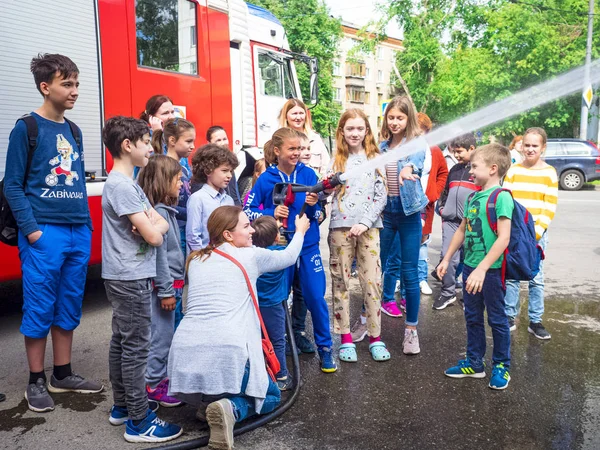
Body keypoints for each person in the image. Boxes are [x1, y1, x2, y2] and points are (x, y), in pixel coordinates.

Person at [3, 53, 102, 413]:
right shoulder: (26, 128)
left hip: (78, 232)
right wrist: (32, 233)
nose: (75, 91)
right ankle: (35, 380)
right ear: (46, 87)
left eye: (76, 83)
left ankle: (63, 373)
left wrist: (86, 228)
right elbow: (13, 186)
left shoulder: (73, 130)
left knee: (69, 305)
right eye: (67, 84)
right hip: (45, 234)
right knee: (39, 308)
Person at [168, 206, 310, 450]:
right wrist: (300, 231)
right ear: (227, 235)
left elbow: (188, 303)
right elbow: (288, 256)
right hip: (228, 348)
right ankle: (231, 409)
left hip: (184, 350)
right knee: (272, 396)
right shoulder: (250, 256)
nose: (252, 230)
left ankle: (210, 402)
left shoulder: (195, 259)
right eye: (246, 226)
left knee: (223, 375)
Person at [101, 116, 182, 442]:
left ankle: (123, 407)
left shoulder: (127, 185)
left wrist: (153, 226)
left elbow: (154, 224)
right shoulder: (123, 187)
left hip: (124, 274)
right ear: (127, 145)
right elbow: (155, 235)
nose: (151, 148)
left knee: (122, 341)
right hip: (131, 276)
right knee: (135, 348)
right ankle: (139, 420)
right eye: (147, 142)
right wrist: (155, 228)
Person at [245, 127, 337, 373]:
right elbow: (247, 210)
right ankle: (275, 350)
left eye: (301, 148)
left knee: (315, 296)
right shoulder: (266, 178)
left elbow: (319, 214)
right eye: (292, 148)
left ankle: (326, 350)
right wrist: (270, 213)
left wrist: (314, 206)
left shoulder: (308, 175)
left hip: (307, 246)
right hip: (278, 247)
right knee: (277, 299)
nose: (298, 153)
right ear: (277, 151)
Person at [437, 143, 513, 390]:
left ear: (492, 169)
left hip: (490, 271)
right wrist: (447, 259)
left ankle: (501, 365)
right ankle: (475, 363)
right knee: (472, 316)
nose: (470, 171)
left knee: (498, 319)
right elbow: (461, 230)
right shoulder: (473, 196)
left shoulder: (501, 197)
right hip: (470, 268)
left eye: (474, 166)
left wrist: (482, 269)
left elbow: (504, 238)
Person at [326, 109, 390, 362]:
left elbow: (381, 195)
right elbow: (325, 193)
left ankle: (375, 337)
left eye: (359, 128)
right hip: (339, 228)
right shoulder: (335, 161)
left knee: (372, 282)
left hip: (370, 229)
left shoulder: (375, 158)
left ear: (366, 131)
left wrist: (364, 222)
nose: (355, 133)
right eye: (349, 128)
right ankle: (345, 339)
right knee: (340, 282)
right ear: (342, 131)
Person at [377, 96, 429, 355]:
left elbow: (414, 161)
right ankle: (367, 320)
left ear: (408, 119)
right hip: (385, 213)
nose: (395, 122)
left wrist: (408, 169)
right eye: (391, 117)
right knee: (376, 268)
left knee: (410, 273)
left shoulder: (416, 144)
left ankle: (411, 331)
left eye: (400, 117)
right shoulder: (381, 147)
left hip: (408, 213)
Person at [137, 155, 185, 408]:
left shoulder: (166, 212)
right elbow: (160, 258)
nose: (181, 184)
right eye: (177, 180)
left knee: (166, 334)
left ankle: (159, 378)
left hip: (171, 287)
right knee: (161, 336)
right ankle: (153, 385)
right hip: (163, 290)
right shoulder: (159, 216)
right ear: (163, 181)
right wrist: (166, 290)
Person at [503, 127, 558, 339]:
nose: (530, 149)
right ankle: (510, 315)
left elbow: (549, 205)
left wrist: (535, 232)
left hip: (536, 233)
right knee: (512, 275)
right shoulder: (514, 171)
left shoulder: (549, 173)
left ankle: (535, 321)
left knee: (536, 277)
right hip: (515, 231)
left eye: (535, 146)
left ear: (543, 148)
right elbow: (506, 199)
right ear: (521, 146)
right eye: (527, 145)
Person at [433, 133, 478, 311]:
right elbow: (444, 192)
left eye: (459, 152)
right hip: (451, 222)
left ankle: (470, 297)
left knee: (470, 260)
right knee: (447, 256)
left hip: (472, 223)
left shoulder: (479, 169)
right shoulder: (455, 169)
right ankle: (447, 292)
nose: (456, 155)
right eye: (454, 152)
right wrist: (442, 209)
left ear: (472, 149)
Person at [252, 215, 294, 390]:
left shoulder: (253, 255)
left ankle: (261, 373)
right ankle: (281, 375)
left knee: (258, 340)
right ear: (277, 236)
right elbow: (292, 251)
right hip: (274, 306)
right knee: (277, 340)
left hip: (254, 306)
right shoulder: (279, 253)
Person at [416, 113, 448, 296]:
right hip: (403, 206)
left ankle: (421, 279)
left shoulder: (433, 150)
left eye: (421, 132)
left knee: (422, 243)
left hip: (424, 206)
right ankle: (396, 279)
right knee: (399, 245)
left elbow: (443, 172)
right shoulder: (400, 149)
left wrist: (434, 193)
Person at [153, 118, 195, 254]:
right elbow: (162, 203)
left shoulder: (184, 167)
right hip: (173, 228)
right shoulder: (163, 167)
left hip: (186, 226)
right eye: (188, 141)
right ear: (172, 141)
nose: (193, 146)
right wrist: (191, 213)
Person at [187, 144, 238, 253]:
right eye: (224, 171)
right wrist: (202, 257)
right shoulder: (197, 199)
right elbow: (193, 236)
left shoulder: (229, 200)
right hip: (205, 259)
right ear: (208, 171)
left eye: (231, 171)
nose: (229, 175)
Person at [278, 98, 330, 176]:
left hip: (314, 186)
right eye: (294, 114)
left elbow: (326, 166)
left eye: (301, 113)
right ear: (286, 116)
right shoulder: (279, 139)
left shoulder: (315, 138)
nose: (298, 117)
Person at [207, 125, 242, 205]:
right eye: (218, 140)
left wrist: (238, 211)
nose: (223, 143)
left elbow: (234, 193)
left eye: (225, 139)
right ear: (209, 143)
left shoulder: (229, 163)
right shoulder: (205, 164)